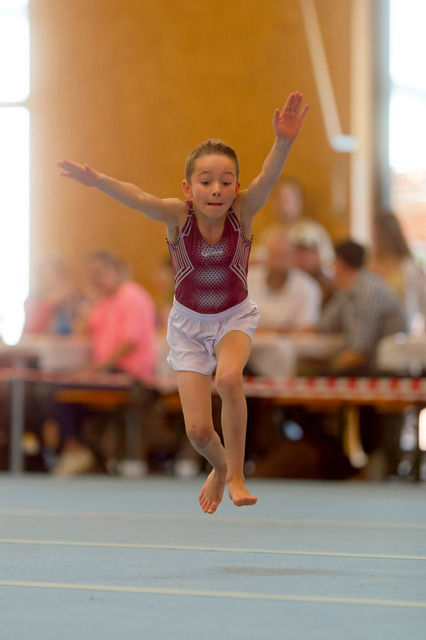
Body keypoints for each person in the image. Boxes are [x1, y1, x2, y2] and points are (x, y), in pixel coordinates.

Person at [57, 90, 309, 513]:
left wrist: (282, 141)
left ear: (237, 186)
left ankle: (237, 474)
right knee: (198, 432)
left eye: (226, 181)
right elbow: (140, 198)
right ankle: (219, 466)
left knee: (229, 379)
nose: (217, 190)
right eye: (206, 181)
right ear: (188, 188)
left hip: (233, 317)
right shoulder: (178, 216)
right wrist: (98, 181)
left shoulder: (243, 212)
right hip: (189, 325)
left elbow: (267, 179)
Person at [50, 250, 158, 476]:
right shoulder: (103, 301)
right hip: (107, 371)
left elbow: (129, 341)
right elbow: (80, 330)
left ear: (115, 270)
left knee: (63, 389)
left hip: (129, 374)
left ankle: (75, 448)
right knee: (58, 387)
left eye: (100, 273)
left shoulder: (131, 295)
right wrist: (89, 301)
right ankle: (79, 449)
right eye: (91, 275)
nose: (96, 279)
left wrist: (99, 368)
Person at [317, 239, 407, 375]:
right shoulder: (347, 290)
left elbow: (360, 352)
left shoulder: (369, 291)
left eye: (332, 264)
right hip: (368, 366)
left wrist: (324, 374)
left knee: (320, 375)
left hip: (385, 372)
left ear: (340, 265)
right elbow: (323, 326)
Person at [368, 209, 426, 330]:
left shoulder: (408, 267)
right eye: (373, 235)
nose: (375, 239)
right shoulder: (369, 263)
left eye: (379, 235)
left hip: (399, 329)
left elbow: (422, 302)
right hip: (371, 327)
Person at [270, 176, 335, 275]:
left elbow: (329, 266)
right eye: (277, 199)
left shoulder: (314, 232)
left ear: (299, 202)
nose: (281, 205)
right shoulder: (269, 234)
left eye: (286, 200)